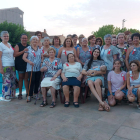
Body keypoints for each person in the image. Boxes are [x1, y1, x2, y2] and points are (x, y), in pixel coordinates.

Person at [23, 36, 42, 102]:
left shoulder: (39, 49)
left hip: (38, 68)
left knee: (37, 81)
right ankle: (29, 95)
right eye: (33, 39)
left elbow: (42, 57)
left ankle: (36, 94)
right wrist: (30, 62)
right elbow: (24, 58)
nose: (35, 41)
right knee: (31, 81)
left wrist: (42, 62)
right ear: (31, 41)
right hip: (31, 68)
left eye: (36, 40)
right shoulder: (28, 49)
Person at [0, 31, 16, 101]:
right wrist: (1, 68)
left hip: (12, 65)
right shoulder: (0, 45)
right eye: (4, 36)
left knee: (13, 81)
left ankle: (12, 95)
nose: (6, 37)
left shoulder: (9, 44)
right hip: (5, 66)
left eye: (7, 36)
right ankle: (5, 96)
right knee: (6, 82)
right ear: (1, 37)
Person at [14, 34, 29, 99]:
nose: (24, 39)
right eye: (23, 38)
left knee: (26, 79)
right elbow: (15, 54)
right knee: (20, 79)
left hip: (26, 64)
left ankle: (27, 93)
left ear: (27, 39)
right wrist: (23, 51)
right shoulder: (18, 45)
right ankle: (20, 93)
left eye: (25, 38)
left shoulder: (28, 46)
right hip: (20, 64)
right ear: (20, 39)